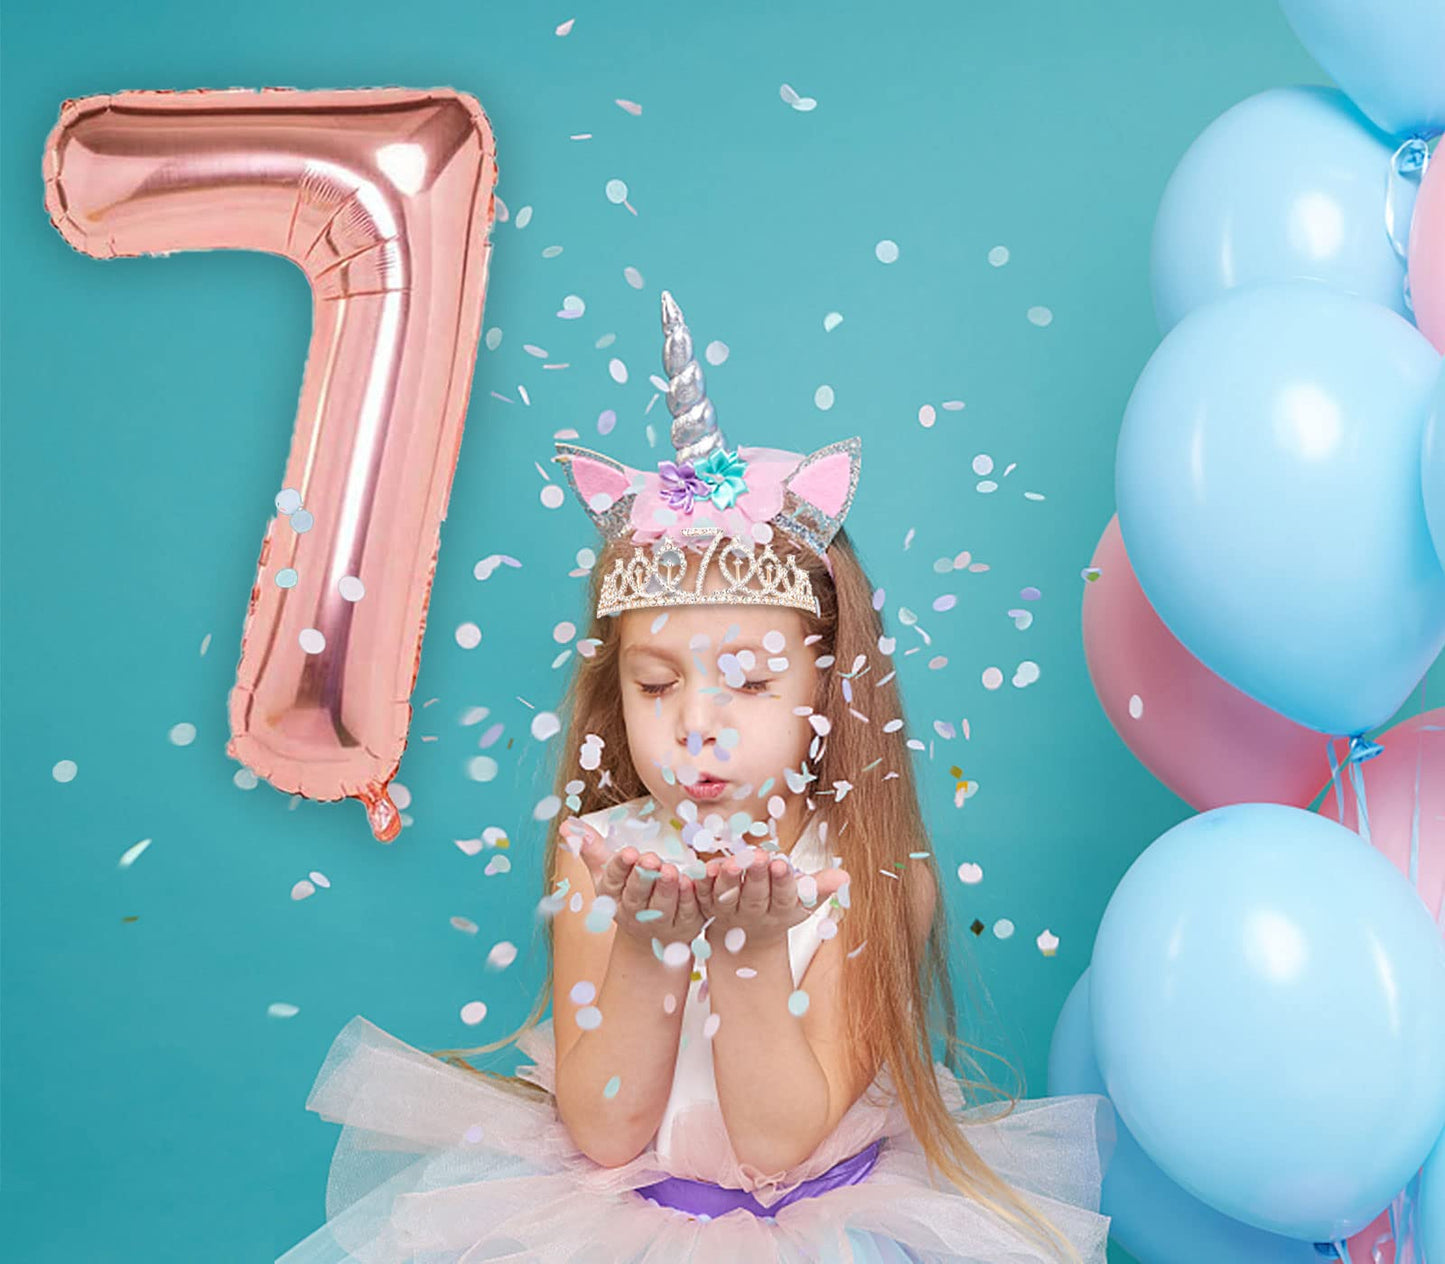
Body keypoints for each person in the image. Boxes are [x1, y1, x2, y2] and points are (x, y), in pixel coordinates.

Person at [276, 292, 1117, 1263]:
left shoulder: (873, 872)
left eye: (751, 682)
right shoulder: (600, 857)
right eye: (655, 683)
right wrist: (646, 943)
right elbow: (602, 1130)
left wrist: (750, 947)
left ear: (829, 684)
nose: (696, 728)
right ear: (616, 684)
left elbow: (776, 1143)